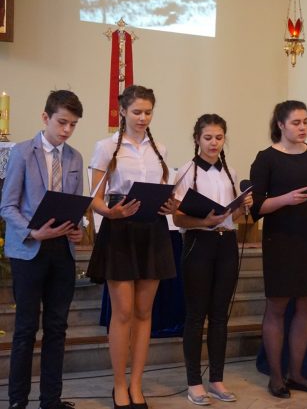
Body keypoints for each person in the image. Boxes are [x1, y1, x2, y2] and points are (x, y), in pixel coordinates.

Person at [86, 85, 177, 409]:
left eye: (148, 112)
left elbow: (164, 191)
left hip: (153, 229)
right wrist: (109, 212)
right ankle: (119, 385)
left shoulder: (159, 148)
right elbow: (95, 198)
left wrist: (170, 205)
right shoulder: (105, 147)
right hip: (120, 228)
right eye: (137, 112)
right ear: (123, 111)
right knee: (123, 312)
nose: (143, 118)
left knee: (143, 312)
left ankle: (136, 384)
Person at [250, 100, 307, 398]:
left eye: (305, 122)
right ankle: (276, 377)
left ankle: (297, 373)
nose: (302, 127)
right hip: (281, 240)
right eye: (296, 123)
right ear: (281, 125)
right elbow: (257, 207)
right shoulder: (266, 158)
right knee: (277, 308)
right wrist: (285, 199)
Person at [1, 90, 84, 409]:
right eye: (62, 122)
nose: (67, 130)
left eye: (73, 124)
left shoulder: (74, 157)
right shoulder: (23, 153)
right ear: (45, 117)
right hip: (30, 250)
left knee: (57, 328)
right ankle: (17, 401)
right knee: (25, 329)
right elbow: (7, 206)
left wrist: (78, 229)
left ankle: (51, 400)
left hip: (62, 251)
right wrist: (33, 231)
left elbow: (76, 205)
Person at [173, 114, 252, 405]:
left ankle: (217, 378)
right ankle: (194, 381)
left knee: (220, 314)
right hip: (198, 243)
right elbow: (177, 217)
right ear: (197, 139)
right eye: (208, 138)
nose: (213, 143)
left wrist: (243, 206)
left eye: (219, 138)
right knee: (196, 315)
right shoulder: (185, 171)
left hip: (226, 243)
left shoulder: (230, 171)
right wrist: (203, 221)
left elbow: (232, 217)